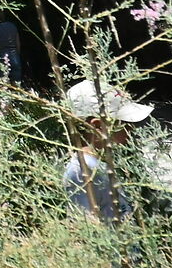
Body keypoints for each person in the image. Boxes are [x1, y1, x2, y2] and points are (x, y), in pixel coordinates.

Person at [60, 77, 154, 224]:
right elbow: (83, 229)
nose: (132, 131)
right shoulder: (82, 172)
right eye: (125, 125)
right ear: (97, 128)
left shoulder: (102, 163)